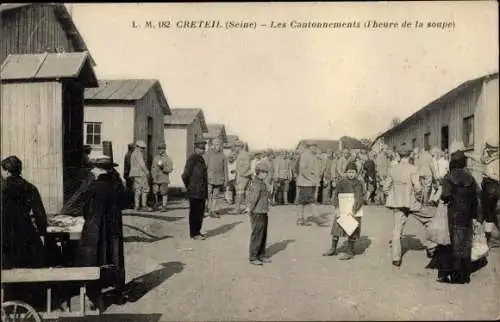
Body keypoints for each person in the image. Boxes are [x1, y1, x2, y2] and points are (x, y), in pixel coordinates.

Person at [74, 155, 127, 306]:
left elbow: (85, 210)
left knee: (95, 257)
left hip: (97, 228)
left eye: (94, 168)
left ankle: (94, 294)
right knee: (113, 257)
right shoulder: (116, 185)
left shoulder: (95, 187)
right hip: (114, 228)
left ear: (98, 170)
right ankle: (116, 290)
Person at [385, 149, 437, 268]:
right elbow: (418, 188)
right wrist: (419, 198)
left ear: (398, 155)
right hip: (412, 202)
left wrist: (392, 196)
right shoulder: (413, 169)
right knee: (429, 220)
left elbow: (386, 187)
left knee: (397, 229)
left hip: (398, 203)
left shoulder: (392, 170)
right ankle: (431, 248)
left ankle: (396, 258)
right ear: (410, 156)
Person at [435, 150, 479, 284]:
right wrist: (477, 215)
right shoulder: (471, 178)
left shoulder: (449, 177)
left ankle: (454, 274)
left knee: (453, 242)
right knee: (466, 242)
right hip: (468, 214)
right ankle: (465, 274)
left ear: (452, 163)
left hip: (454, 213)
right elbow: (477, 196)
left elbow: (445, 196)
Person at [1, 156, 47, 269]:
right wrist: (42, 231)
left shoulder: (2, 188)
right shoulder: (30, 188)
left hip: (5, 234)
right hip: (25, 232)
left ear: (6, 171)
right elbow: (40, 214)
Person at [323, 162, 364, 260]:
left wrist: (354, 210)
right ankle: (333, 248)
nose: (351, 174)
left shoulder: (358, 184)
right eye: (349, 172)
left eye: (353, 172)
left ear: (356, 173)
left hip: (354, 209)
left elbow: (359, 197)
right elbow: (336, 195)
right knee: (337, 228)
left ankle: (349, 251)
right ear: (345, 172)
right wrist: (336, 207)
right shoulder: (341, 183)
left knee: (351, 229)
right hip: (342, 208)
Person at [182, 139, 209, 240]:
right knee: (195, 213)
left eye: (204, 148)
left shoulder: (201, 159)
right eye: (201, 148)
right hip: (194, 192)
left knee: (200, 213)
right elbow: (185, 175)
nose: (203, 150)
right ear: (196, 148)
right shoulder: (192, 159)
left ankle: (197, 231)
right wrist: (189, 186)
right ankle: (193, 234)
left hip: (201, 192)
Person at [248, 162, 272, 266]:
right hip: (257, 212)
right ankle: (253, 257)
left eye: (266, 172)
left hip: (263, 211)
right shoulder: (257, 184)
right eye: (264, 172)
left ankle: (261, 254)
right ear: (259, 172)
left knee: (263, 234)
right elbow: (254, 198)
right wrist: (250, 209)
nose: (266, 174)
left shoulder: (262, 183)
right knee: (257, 234)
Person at [480, 140, 499, 246]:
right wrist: (483, 149)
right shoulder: (491, 158)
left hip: (492, 188)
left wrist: (489, 175)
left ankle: (489, 238)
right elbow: (482, 160)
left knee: (489, 213)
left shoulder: (497, 161)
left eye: (489, 149)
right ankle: (489, 237)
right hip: (488, 187)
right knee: (489, 213)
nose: (487, 151)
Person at [204, 138, 228, 218]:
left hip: (219, 179)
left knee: (215, 195)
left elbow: (225, 169)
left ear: (221, 146)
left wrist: (226, 180)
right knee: (207, 194)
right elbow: (204, 167)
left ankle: (212, 211)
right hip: (209, 178)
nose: (217, 146)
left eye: (219, 145)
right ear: (212, 145)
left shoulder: (223, 156)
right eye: (215, 145)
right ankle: (205, 209)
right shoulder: (208, 154)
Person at [296, 143, 320, 225]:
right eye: (313, 147)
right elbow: (302, 170)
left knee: (302, 202)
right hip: (306, 183)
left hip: (310, 183)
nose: (315, 149)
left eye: (315, 148)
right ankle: (316, 217)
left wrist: (316, 180)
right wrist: (311, 179)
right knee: (310, 200)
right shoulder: (305, 156)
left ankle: (300, 219)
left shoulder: (313, 156)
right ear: (309, 148)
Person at [129, 140, 151, 211]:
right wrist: (147, 172)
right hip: (141, 173)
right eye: (142, 148)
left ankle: (137, 206)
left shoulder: (133, 153)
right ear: (138, 147)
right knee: (145, 189)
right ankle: (144, 206)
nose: (143, 149)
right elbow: (142, 164)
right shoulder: (138, 154)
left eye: (143, 148)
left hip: (135, 174)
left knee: (137, 190)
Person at [151, 143, 173, 211]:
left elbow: (170, 169)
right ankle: (156, 204)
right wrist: (153, 175)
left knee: (164, 193)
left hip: (164, 178)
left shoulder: (168, 158)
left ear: (164, 149)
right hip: (156, 178)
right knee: (155, 192)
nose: (160, 150)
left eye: (161, 149)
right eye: (159, 149)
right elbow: (152, 167)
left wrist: (163, 167)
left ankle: (164, 206)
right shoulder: (155, 158)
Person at [232, 141, 252, 214]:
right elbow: (242, 165)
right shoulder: (242, 154)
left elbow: (246, 165)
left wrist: (240, 173)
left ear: (239, 147)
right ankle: (248, 208)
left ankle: (237, 209)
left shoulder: (243, 154)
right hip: (244, 175)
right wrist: (236, 170)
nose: (235, 148)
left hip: (243, 176)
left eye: (236, 146)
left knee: (239, 192)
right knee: (246, 192)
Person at [123, 143, 135, 209]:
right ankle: (129, 204)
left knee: (129, 189)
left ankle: (129, 203)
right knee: (130, 190)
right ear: (131, 148)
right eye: (133, 148)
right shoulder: (129, 155)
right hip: (129, 174)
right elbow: (130, 165)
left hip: (127, 174)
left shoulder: (128, 154)